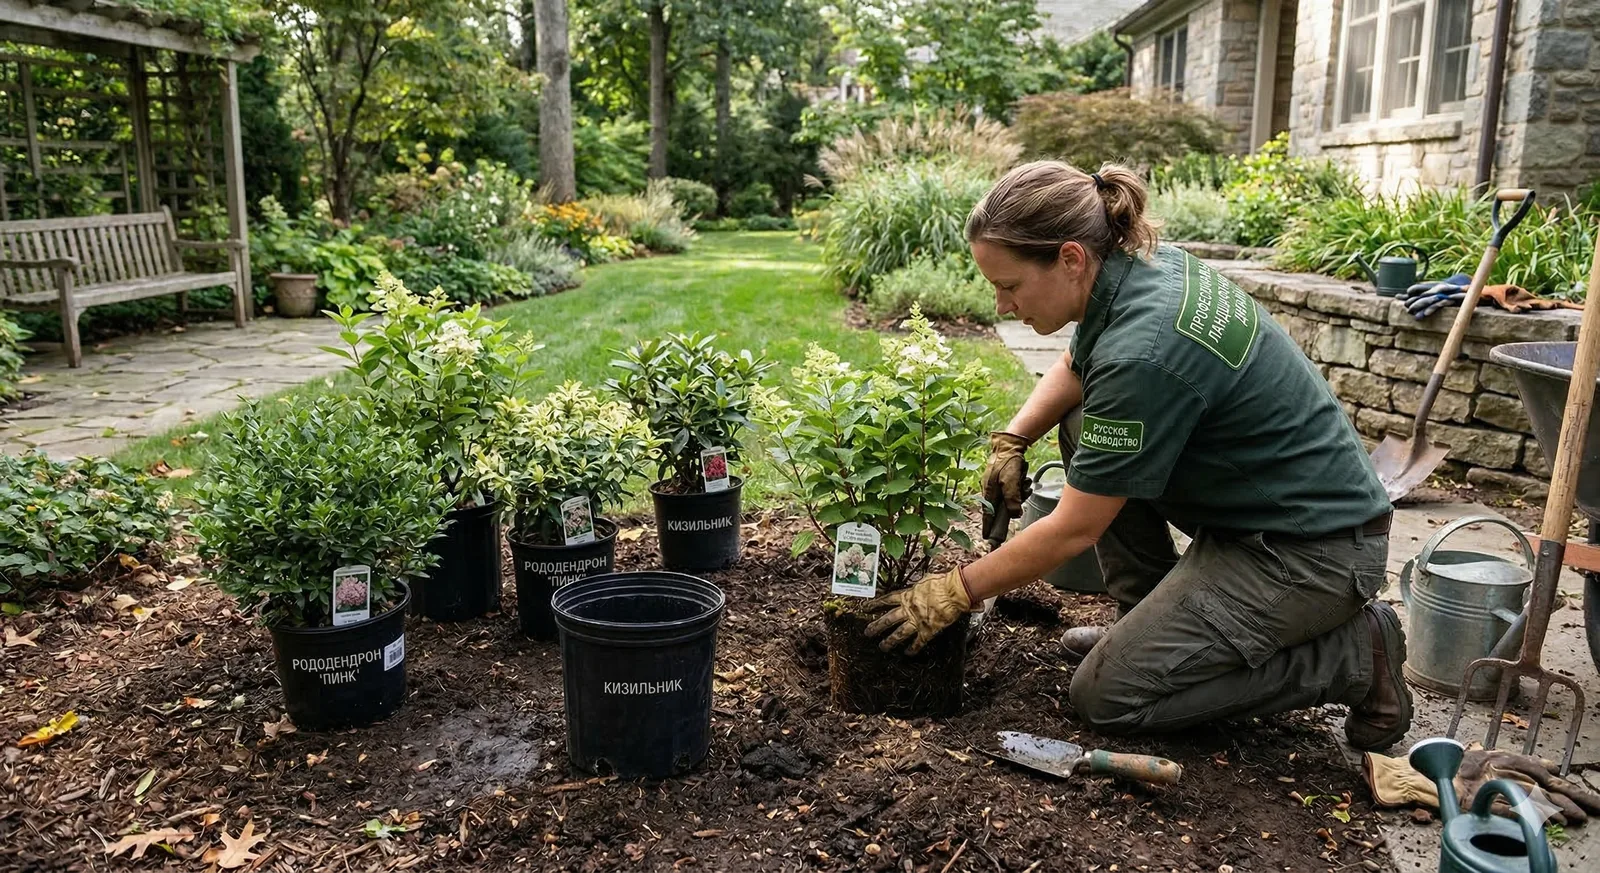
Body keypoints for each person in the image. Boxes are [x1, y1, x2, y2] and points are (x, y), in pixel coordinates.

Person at [863, 160, 1412, 751]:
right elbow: (1079, 367)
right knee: (1080, 422)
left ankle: (1355, 656)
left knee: (1109, 697)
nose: (1000, 305)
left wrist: (956, 590)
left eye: (1010, 286)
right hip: (1266, 517)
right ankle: (1145, 619)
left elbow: (1073, 530)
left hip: (1308, 556)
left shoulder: (1143, 352)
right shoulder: (1140, 267)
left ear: (1070, 258)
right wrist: (1014, 437)